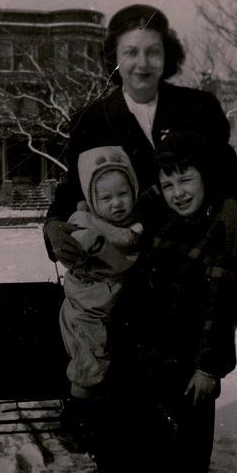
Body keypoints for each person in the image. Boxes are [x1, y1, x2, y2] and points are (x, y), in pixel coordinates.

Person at [94, 131, 237, 473]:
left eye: (186, 180)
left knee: (168, 450)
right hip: (145, 349)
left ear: (207, 177)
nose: (177, 192)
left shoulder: (220, 228)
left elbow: (221, 306)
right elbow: (116, 199)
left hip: (184, 362)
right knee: (121, 424)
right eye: (167, 183)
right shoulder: (164, 218)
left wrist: (209, 368)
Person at [44, 3, 237, 268]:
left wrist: (232, 205)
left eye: (153, 52)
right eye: (130, 52)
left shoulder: (199, 108)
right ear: (114, 58)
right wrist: (52, 227)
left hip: (195, 256)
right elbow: (75, 186)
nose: (142, 64)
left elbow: (226, 172)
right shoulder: (91, 120)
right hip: (127, 266)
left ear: (167, 56)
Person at [58, 146, 143, 444]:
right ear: (93, 201)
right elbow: (78, 239)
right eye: (105, 198)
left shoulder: (135, 224)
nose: (117, 203)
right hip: (90, 299)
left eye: (123, 194)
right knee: (91, 354)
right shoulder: (88, 223)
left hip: (111, 295)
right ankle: (77, 416)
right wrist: (83, 245)